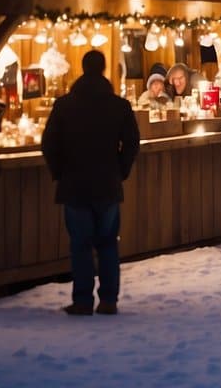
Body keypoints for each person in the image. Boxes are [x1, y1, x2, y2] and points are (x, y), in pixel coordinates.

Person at [41, 50, 140, 316]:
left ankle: (83, 300)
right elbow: (132, 142)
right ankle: (108, 299)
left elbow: (49, 143)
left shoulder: (64, 105)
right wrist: (121, 170)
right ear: (104, 68)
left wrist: (59, 171)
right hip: (107, 184)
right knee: (108, 242)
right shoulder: (118, 105)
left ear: (82, 69)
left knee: (81, 244)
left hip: (74, 185)